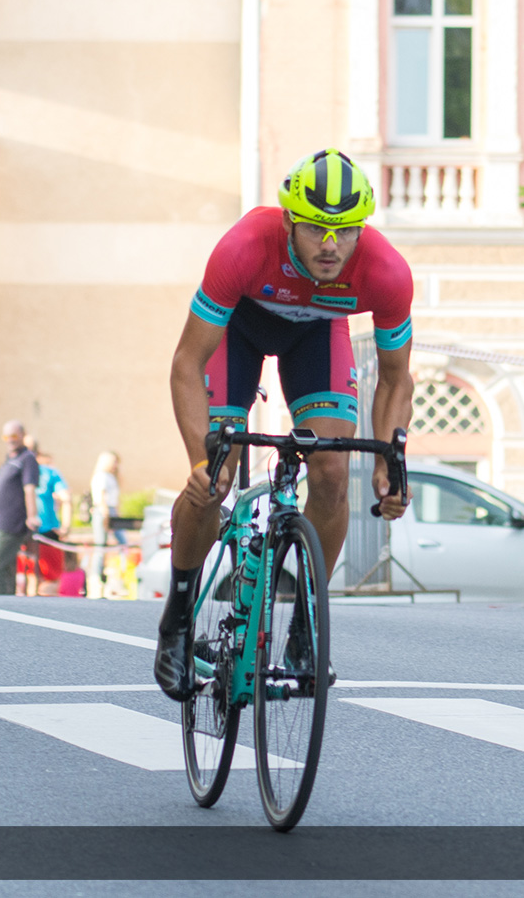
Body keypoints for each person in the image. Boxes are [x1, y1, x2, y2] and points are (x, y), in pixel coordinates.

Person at [154, 149, 415, 700]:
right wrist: (200, 460)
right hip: (239, 332)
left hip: (317, 336)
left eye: (345, 231)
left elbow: (395, 380)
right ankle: (177, 618)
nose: (330, 245)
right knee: (215, 480)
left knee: (331, 472)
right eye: (316, 228)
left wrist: (391, 464)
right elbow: (186, 364)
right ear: (290, 222)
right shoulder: (244, 248)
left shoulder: (387, 272)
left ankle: (305, 627)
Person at [0, 420, 39, 595]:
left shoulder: (27, 459)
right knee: (7, 570)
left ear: (23, 435)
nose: (10, 440)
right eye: (6, 436)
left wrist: (32, 516)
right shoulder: (10, 460)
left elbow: (29, 488)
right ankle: (8, 605)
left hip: (12, 524)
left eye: (14, 435)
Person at [22, 435, 71, 596]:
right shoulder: (19, 472)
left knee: (45, 580)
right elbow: (66, 499)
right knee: (36, 580)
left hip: (45, 532)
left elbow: (66, 498)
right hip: (27, 533)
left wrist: (65, 526)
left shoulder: (48, 473)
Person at [87, 450, 122, 594]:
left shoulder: (111, 477)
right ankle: (95, 577)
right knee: (100, 545)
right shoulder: (101, 476)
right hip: (104, 511)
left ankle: (117, 575)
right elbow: (101, 497)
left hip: (111, 511)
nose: (115, 465)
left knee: (121, 543)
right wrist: (106, 515)